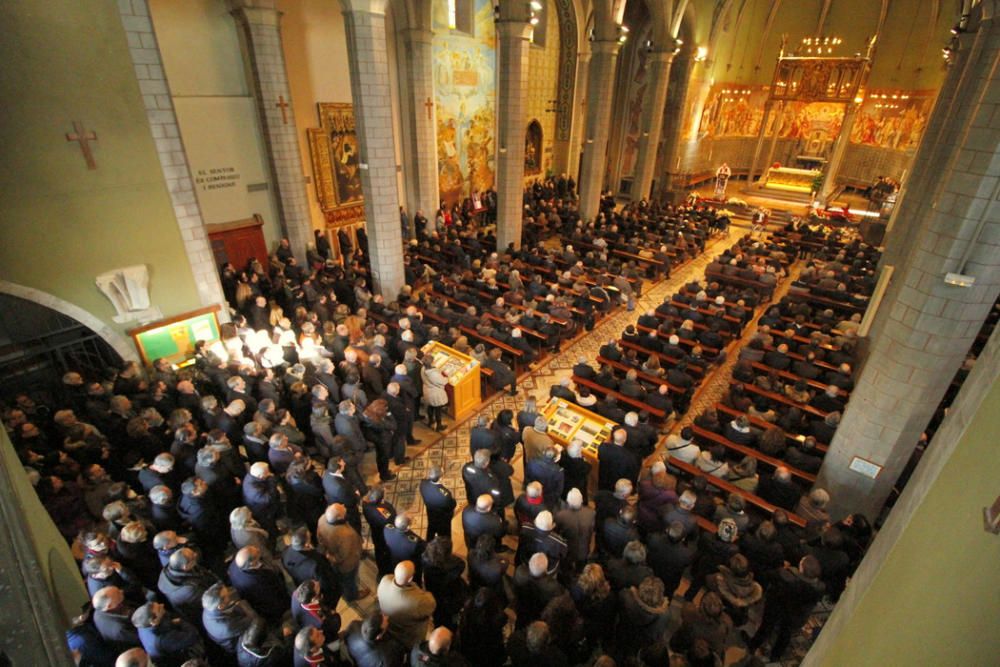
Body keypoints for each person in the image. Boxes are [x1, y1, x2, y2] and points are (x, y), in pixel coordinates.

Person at [747, 555, 825, 661]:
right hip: (795, 613)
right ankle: (775, 656)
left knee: (766, 626)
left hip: (776, 605)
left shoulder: (785, 575)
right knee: (785, 634)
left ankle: (753, 646)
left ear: (802, 568)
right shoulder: (819, 588)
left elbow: (768, 576)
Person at [377, 561, 437, 650]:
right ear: (410, 579)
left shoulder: (385, 580)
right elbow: (432, 605)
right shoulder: (418, 601)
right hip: (408, 633)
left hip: (388, 624)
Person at [315, 503, 368, 601]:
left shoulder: (322, 519)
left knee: (339, 576)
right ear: (340, 518)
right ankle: (351, 596)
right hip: (347, 565)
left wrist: (327, 553)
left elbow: (319, 538)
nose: (344, 505)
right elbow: (342, 556)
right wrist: (331, 557)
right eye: (342, 509)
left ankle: (341, 587)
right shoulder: (346, 535)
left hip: (331, 554)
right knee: (349, 581)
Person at [420, 466, 457, 542]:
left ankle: (428, 542)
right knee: (445, 533)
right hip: (443, 517)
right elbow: (452, 505)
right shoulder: (445, 495)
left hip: (430, 511)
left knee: (431, 527)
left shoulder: (423, 484)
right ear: (440, 478)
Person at [421, 356, 449, 432]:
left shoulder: (423, 368)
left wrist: (438, 370)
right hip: (435, 392)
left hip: (427, 390)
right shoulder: (433, 374)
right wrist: (447, 377)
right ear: (431, 363)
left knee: (430, 406)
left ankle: (431, 421)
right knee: (438, 409)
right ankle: (439, 426)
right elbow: (443, 381)